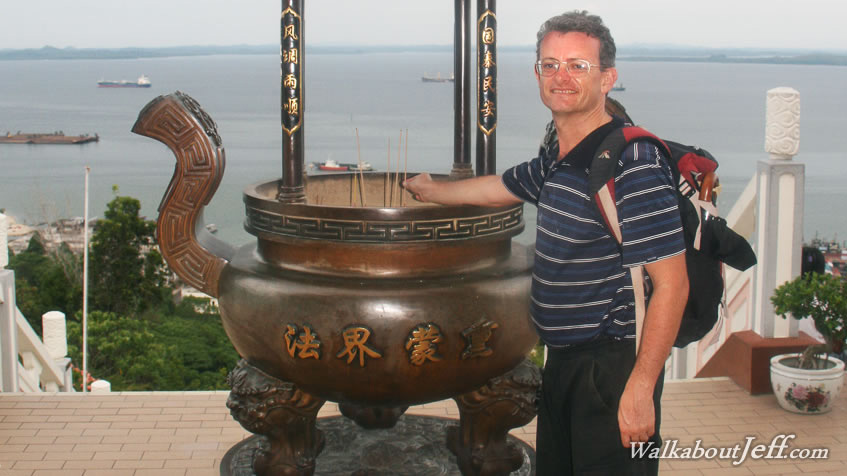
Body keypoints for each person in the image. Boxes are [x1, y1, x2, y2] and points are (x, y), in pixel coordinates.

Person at [404, 10, 688, 475]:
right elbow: (501, 187)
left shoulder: (631, 161)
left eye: (578, 65)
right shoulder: (558, 156)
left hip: (612, 368)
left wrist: (641, 387)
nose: (561, 76)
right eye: (550, 65)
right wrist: (432, 191)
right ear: (537, 74)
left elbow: (673, 285)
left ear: (607, 78)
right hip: (563, 363)